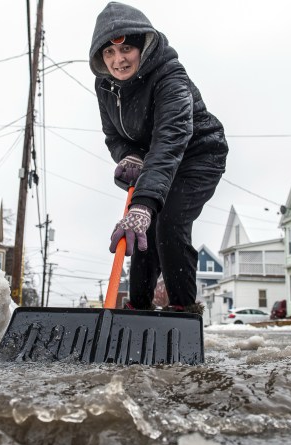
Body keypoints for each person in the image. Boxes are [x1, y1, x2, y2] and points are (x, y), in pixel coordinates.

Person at [89, 1, 228, 314]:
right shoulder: (106, 86)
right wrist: (130, 156)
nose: (117, 60)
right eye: (108, 53)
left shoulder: (170, 77)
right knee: (142, 236)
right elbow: (114, 136)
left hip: (198, 156)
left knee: (167, 223)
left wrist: (143, 202)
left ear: (143, 45)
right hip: (155, 161)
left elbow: (170, 139)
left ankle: (183, 312)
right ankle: (137, 312)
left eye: (125, 50)